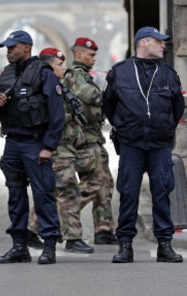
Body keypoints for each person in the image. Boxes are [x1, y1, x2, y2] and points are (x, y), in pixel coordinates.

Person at [103, 26, 185, 263]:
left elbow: (177, 107)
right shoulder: (120, 72)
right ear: (144, 43)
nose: (164, 46)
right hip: (131, 144)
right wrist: (123, 126)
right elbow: (109, 105)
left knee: (162, 192)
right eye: (159, 42)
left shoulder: (169, 73)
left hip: (159, 144)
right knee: (128, 193)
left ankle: (165, 245)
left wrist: (166, 127)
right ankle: (125, 245)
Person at [0, 30, 64, 265]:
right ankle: (19, 246)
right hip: (13, 143)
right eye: (7, 48)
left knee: (43, 195)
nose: (8, 51)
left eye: (12, 47)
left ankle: (49, 245)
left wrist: (48, 146)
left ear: (27, 47)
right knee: (15, 195)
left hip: (36, 142)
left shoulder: (44, 73)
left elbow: (57, 114)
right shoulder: (5, 75)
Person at [28, 47, 95, 253]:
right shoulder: (46, 86)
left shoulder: (57, 85)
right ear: (48, 66)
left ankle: (30, 229)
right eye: (59, 64)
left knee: (52, 192)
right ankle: (73, 238)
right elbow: (53, 118)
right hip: (58, 149)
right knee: (68, 193)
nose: (63, 68)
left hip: (65, 148)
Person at [65, 37, 117, 245]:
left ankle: (104, 230)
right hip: (84, 139)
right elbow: (95, 98)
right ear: (79, 55)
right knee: (93, 184)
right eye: (91, 55)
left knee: (105, 184)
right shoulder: (75, 76)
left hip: (94, 137)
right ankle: (61, 214)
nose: (94, 59)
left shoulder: (85, 76)